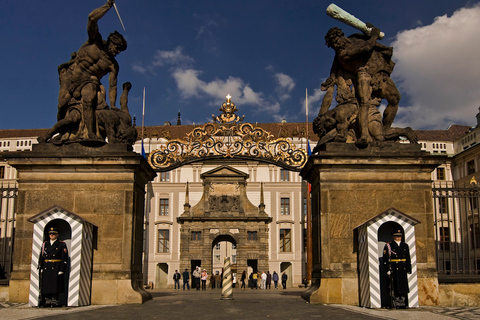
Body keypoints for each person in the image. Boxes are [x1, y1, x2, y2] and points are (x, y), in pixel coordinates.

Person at [55, 0, 127, 142]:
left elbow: (112, 86)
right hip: (72, 75)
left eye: (119, 50)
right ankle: (62, 132)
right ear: (110, 41)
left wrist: (113, 105)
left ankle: (91, 134)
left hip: (90, 81)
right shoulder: (95, 41)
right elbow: (92, 19)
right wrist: (108, 5)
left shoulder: (112, 65)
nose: (116, 51)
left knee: (88, 101)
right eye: (116, 47)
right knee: (62, 105)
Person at [324, 25, 400, 146]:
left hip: (379, 73)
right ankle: (364, 135)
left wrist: (368, 31)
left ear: (341, 36)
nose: (336, 45)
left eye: (336, 41)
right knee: (364, 103)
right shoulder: (343, 53)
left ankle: (385, 130)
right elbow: (366, 47)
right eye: (333, 45)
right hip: (363, 74)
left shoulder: (355, 39)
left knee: (395, 100)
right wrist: (374, 35)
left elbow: (367, 43)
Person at [38, 227, 68, 307]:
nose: (51, 235)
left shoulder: (61, 244)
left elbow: (64, 257)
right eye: (50, 234)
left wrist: (62, 269)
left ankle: (54, 301)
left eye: (53, 234)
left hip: (56, 266)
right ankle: (47, 301)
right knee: (46, 285)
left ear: (57, 235)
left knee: (55, 285)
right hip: (46, 266)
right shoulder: (45, 244)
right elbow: (42, 256)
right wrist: (40, 266)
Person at [383, 230, 411, 308]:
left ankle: (403, 302)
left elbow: (407, 258)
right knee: (395, 286)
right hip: (394, 268)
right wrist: (387, 269)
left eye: (400, 236)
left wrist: (408, 268)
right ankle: (396, 302)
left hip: (403, 268)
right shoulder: (389, 245)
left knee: (403, 286)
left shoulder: (405, 245)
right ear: (394, 237)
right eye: (397, 236)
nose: (399, 238)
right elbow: (385, 259)